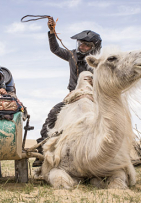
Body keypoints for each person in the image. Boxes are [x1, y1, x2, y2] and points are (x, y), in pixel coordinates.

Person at [32, 18, 103, 167]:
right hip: (72, 96)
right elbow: (55, 49)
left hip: (95, 97)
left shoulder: (100, 62)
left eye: (86, 44)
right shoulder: (72, 55)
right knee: (52, 115)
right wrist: (52, 33)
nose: (81, 46)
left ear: (94, 47)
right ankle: (42, 153)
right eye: (80, 43)